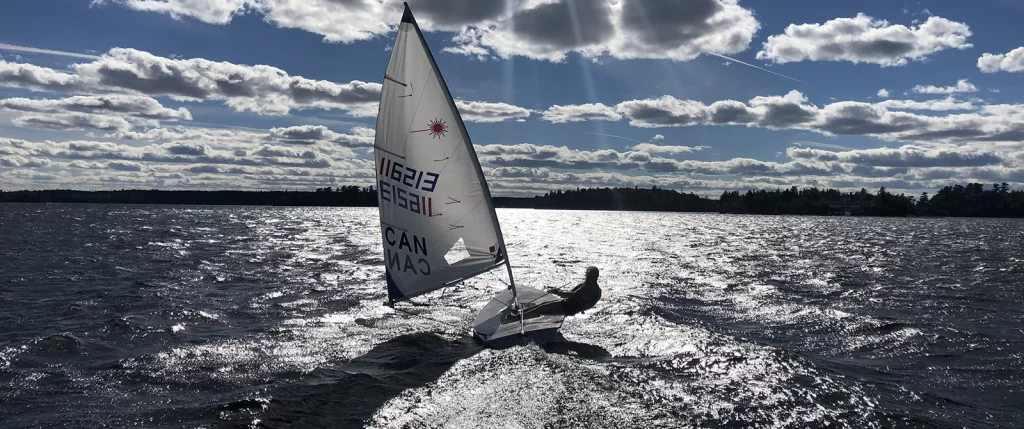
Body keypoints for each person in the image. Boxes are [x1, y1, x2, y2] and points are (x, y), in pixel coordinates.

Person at [506, 266, 601, 321]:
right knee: (541, 306)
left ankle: (517, 318)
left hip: (569, 307)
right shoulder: (588, 285)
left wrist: (557, 292)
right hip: (569, 305)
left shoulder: (590, 287)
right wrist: (558, 290)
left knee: (541, 309)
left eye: (587, 275)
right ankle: (520, 314)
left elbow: (572, 295)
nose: (585, 276)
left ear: (592, 276)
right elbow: (571, 293)